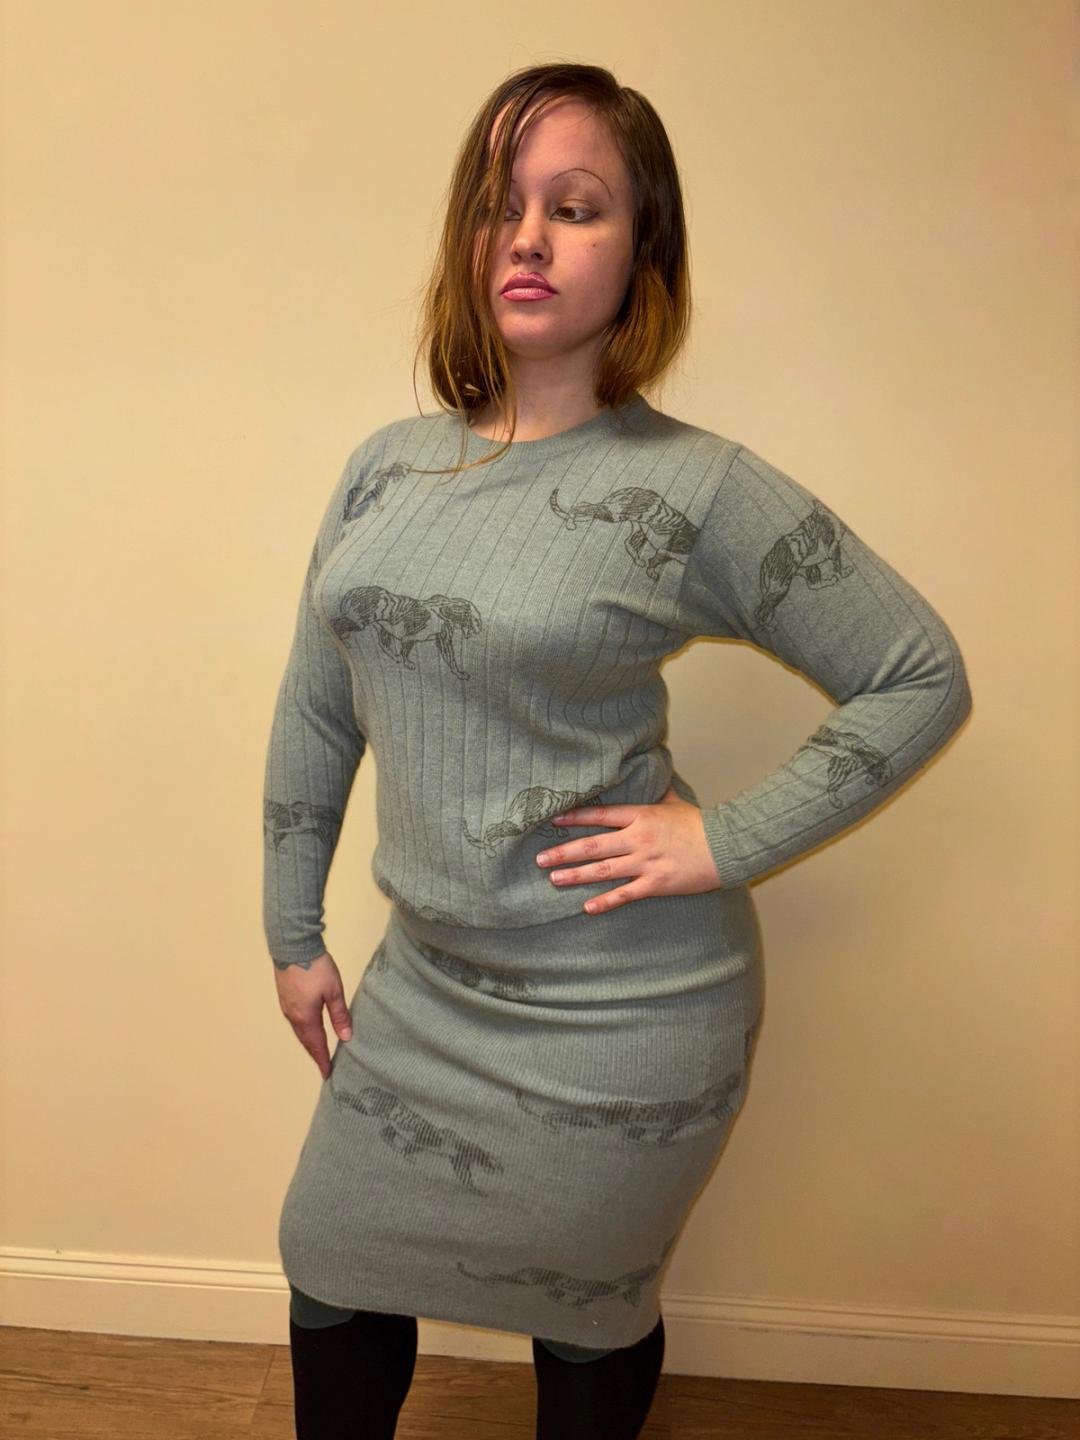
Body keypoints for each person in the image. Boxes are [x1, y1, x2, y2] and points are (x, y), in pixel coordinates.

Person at [263, 62, 972, 1440]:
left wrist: (726, 838)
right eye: (499, 204)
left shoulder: (695, 487)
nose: (526, 237)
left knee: (587, 1310)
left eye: (575, 207)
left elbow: (916, 674)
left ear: (643, 250)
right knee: (330, 1264)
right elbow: (316, 707)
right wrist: (294, 933)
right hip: (428, 989)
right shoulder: (385, 468)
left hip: (625, 1016)